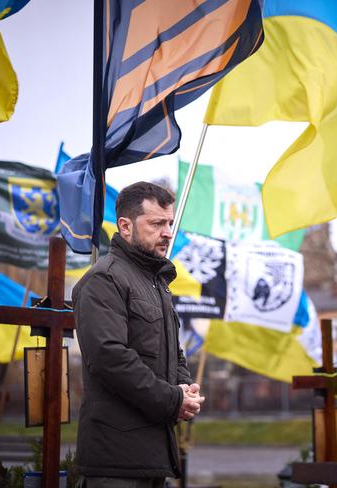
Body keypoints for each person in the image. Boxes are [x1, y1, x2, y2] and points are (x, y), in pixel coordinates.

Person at [73, 181, 205, 488]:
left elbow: (173, 351)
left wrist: (186, 388)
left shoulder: (155, 282)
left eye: (169, 223)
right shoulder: (104, 279)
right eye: (157, 223)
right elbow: (110, 357)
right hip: (115, 461)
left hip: (150, 453)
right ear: (125, 225)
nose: (168, 232)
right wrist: (172, 399)